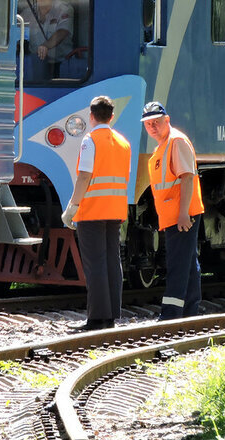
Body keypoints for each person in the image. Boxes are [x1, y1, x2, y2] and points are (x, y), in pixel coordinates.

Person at [61, 95, 131, 331]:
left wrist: (72, 207)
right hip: (115, 210)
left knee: (95, 264)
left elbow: (84, 176)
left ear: (91, 116)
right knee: (113, 261)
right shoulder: (123, 142)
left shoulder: (89, 141)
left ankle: (96, 318)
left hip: (91, 211)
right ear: (112, 117)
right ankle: (110, 316)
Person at [141, 100, 205, 320]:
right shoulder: (164, 145)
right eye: (148, 124)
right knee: (186, 263)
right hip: (175, 215)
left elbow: (187, 177)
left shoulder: (176, 142)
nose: (152, 127)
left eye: (156, 122)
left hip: (181, 215)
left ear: (166, 120)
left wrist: (183, 213)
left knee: (178, 264)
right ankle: (189, 311)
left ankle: (171, 314)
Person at [18, 0, 73, 79]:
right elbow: (17, 30)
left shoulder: (64, 9)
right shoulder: (28, 12)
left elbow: (62, 31)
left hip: (61, 62)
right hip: (36, 61)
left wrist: (46, 46)